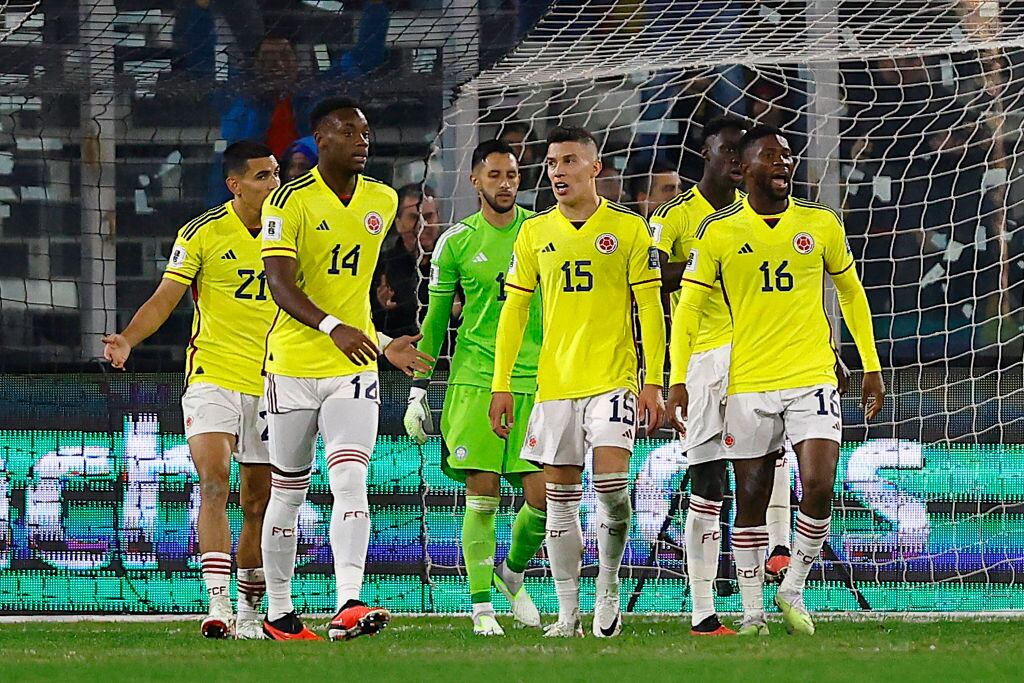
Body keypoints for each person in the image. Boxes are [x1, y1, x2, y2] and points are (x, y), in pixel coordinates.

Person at [666, 125, 885, 636]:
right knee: (751, 497)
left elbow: (851, 293)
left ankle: (793, 588)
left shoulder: (821, 223)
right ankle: (752, 614)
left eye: (787, 155)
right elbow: (689, 308)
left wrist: (870, 365)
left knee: (819, 484)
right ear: (744, 169)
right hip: (749, 381)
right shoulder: (718, 231)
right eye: (770, 156)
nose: (783, 163)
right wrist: (677, 379)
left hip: (811, 374)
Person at [259, 96, 432, 641]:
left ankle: (349, 602)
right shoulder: (287, 201)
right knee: (288, 492)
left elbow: (355, 290)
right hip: (291, 366)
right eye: (350, 132)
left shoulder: (382, 198)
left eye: (366, 132)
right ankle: (279, 613)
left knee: (351, 478)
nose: (363, 141)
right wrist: (334, 325)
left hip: (353, 367)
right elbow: (279, 285)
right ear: (322, 140)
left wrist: (380, 341)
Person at [488, 126, 666, 638]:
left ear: (595, 168)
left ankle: (608, 586)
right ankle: (568, 614)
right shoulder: (533, 232)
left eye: (568, 161)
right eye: (551, 163)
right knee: (560, 503)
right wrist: (502, 383)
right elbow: (514, 311)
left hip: (613, 380)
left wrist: (653, 381)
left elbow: (651, 309)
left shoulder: (629, 229)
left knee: (612, 491)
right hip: (555, 387)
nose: (557, 172)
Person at [103, 141, 281, 640]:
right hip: (212, 375)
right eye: (264, 176)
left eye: (276, 174)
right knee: (214, 483)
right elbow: (166, 298)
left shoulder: (291, 229)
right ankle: (217, 602)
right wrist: (128, 339)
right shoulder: (202, 232)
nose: (275, 184)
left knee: (258, 502)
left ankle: (250, 609)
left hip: (273, 380)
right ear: (235, 185)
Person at [650, 117, 793, 635]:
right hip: (703, 360)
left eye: (742, 152)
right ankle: (703, 610)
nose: (736, 159)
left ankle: (777, 552)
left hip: (756, 356)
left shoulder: (758, 215)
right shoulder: (674, 216)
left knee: (766, 462)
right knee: (708, 482)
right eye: (727, 150)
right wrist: (701, 265)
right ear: (705, 154)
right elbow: (650, 276)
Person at [404, 139, 546, 636]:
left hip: (535, 379)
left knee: (544, 499)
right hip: (475, 379)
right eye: (495, 175)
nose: (505, 184)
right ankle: (481, 605)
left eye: (512, 175)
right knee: (482, 493)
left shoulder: (541, 233)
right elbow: (436, 320)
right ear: (475, 180)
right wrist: (419, 388)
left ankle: (511, 570)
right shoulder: (457, 242)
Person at [373, 184, 440, 338]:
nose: (422, 225)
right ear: (398, 223)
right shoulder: (380, 266)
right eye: (414, 218)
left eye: (429, 216)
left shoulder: (455, 263)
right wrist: (382, 309)